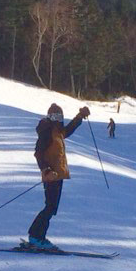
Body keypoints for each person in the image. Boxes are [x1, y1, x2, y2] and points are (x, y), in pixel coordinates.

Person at [26, 102, 90, 250]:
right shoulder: (47, 131)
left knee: (52, 208)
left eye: (60, 116)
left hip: (58, 175)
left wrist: (80, 116)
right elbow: (38, 153)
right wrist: (46, 170)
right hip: (51, 175)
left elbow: (70, 129)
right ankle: (36, 236)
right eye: (56, 116)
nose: (58, 119)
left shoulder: (58, 131)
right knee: (50, 207)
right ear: (50, 117)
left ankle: (38, 236)